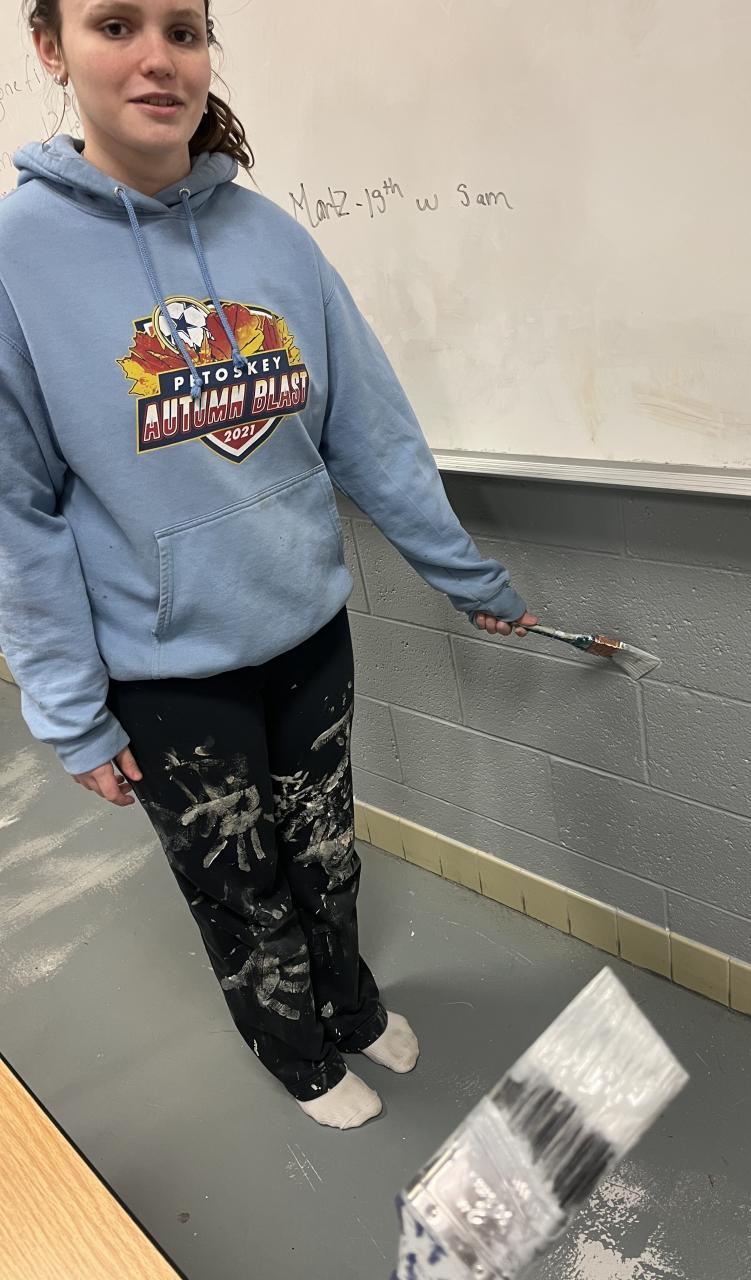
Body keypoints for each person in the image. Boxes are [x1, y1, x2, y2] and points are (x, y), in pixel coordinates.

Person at [0, 0, 536, 1131]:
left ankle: (348, 1004)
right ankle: (295, 1053)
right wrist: (70, 711)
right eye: (115, 25)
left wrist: (464, 575)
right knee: (238, 888)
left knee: (327, 851)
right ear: (50, 47)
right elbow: (18, 514)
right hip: (166, 675)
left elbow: (371, 431)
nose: (158, 58)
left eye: (184, 30)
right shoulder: (17, 260)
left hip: (308, 634)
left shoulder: (272, 239)